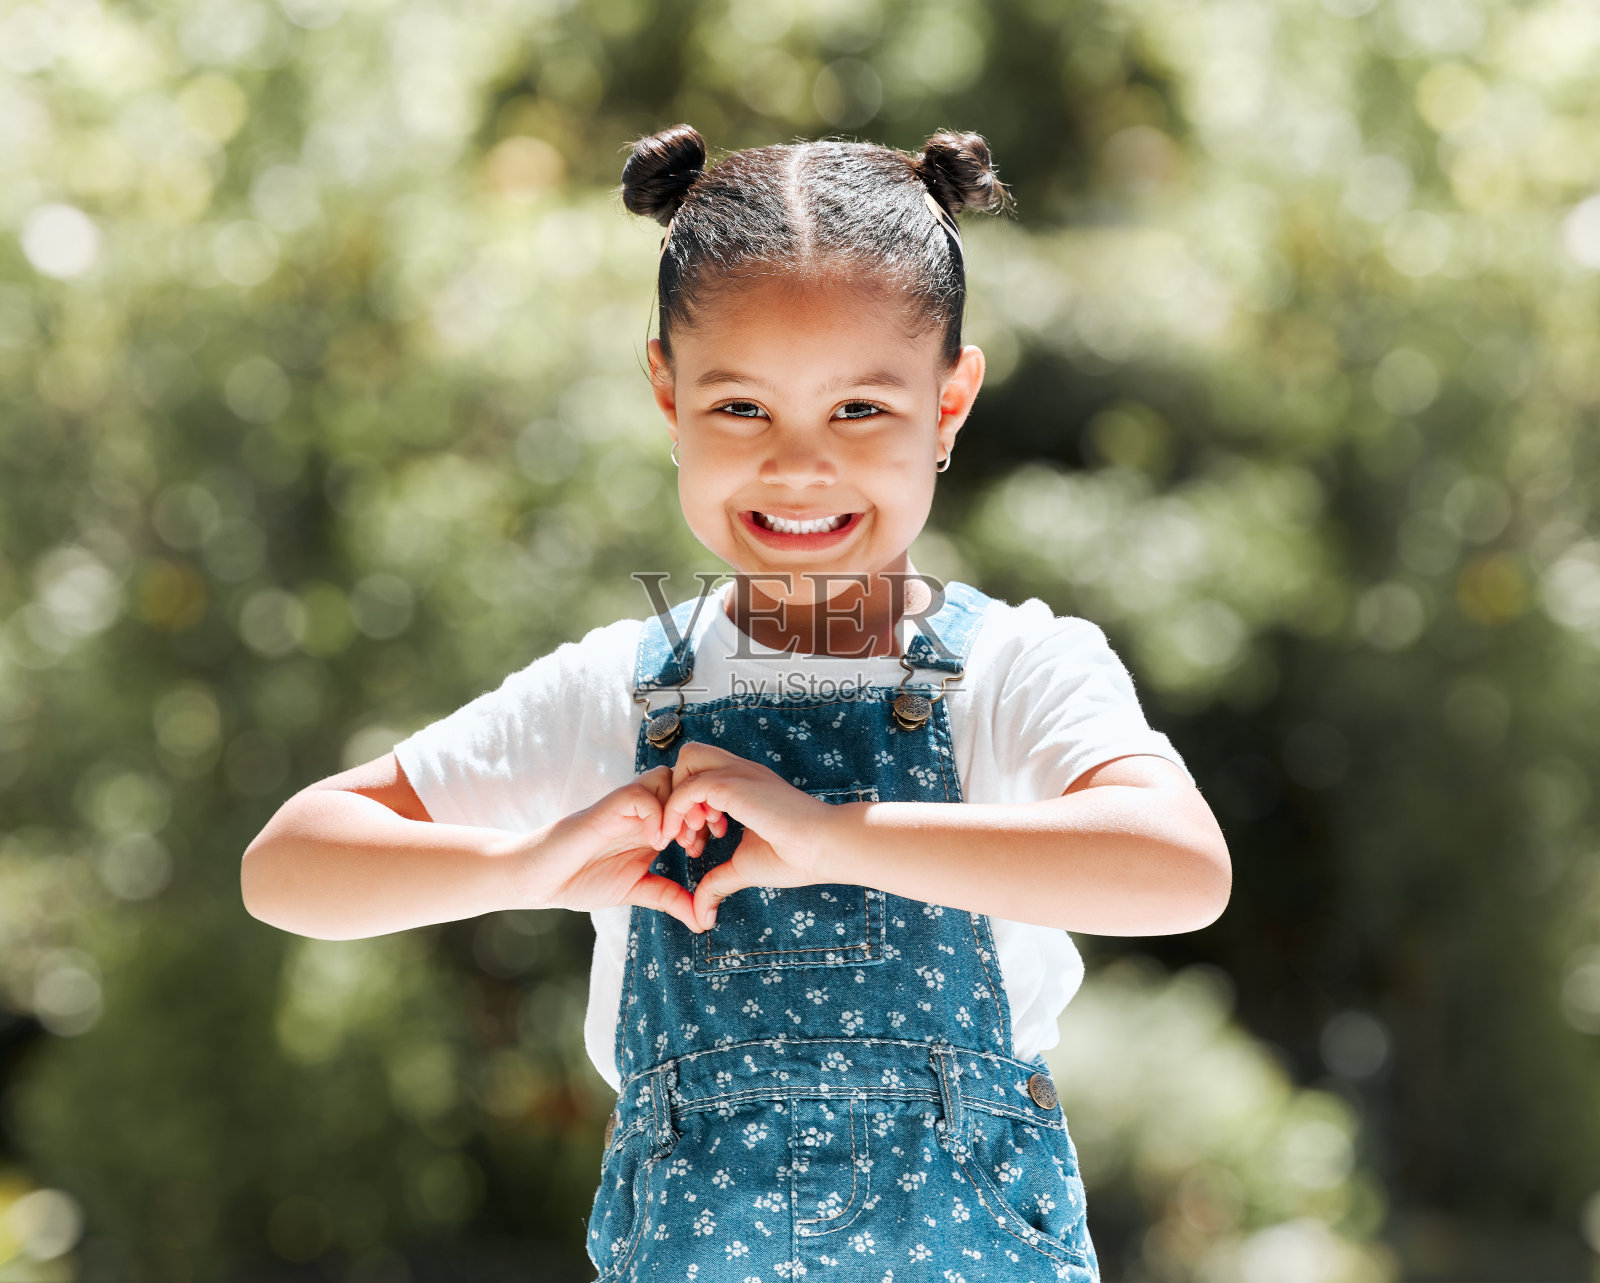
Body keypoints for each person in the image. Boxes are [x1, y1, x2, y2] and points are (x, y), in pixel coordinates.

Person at [241, 123, 1231, 1283]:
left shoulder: (1016, 671)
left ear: (950, 400)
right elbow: (289, 866)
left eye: (860, 410)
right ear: (666, 393)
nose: (799, 466)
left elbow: (1179, 868)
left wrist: (827, 833)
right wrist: (532, 864)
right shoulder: (612, 693)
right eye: (741, 409)